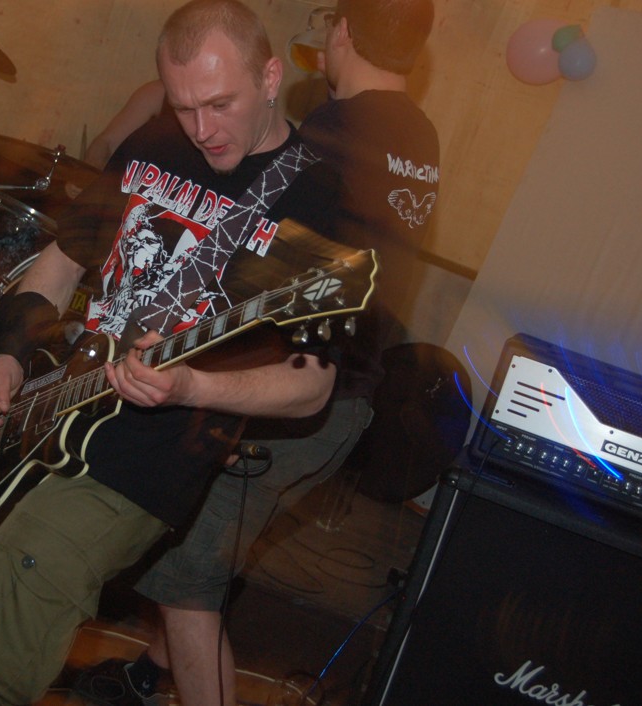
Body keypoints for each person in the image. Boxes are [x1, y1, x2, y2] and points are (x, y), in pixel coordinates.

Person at [0, 1, 358, 704]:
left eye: (220, 104)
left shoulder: (315, 196)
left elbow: (312, 384)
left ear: (270, 77)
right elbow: (59, 266)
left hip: (147, 457)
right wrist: (9, 358)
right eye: (184, 106)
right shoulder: (155, 144)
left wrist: (192, 388)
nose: (202, 129)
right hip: (51, 411)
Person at [71, 1, 440, 705]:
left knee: (186, 578)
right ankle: (148, 675)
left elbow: (243, 273)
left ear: (342, 31)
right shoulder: (418, 134)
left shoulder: (326, 137)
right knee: (191, 559)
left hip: (298, 392)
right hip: (356, 389)